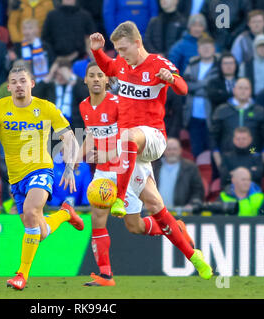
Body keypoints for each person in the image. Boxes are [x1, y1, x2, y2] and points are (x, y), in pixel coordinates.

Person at [89, 21, 212, 280]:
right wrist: (98, 52)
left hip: (153, 137)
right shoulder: (121, 64)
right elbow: (108, 66)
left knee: (129, 137)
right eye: (117, 50)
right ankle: (193, 255)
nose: (120, 54)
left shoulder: (158, 64)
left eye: (123, 49)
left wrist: (172, 80)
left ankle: (120, 197)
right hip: (130, 150)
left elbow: (183, 88)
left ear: (137, 42)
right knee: (146, 215)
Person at [78, 62, 195, 286]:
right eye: (91, 75)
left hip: (126, 168)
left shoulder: (117, 104)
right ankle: (105, 275)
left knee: (135, 226)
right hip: (103, 170)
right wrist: (74, 160)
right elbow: (91, 135)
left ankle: (172, 228)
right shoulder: (84, 106)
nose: (95, 79)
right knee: (98, 219)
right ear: (85, 80)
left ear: (106, 80)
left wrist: (107, 153)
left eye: (99, 75)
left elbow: (127, 136)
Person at [0, 66, 84, 290]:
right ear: (8, 87)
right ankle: (65, 214)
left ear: (32, 84)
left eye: (23, 81)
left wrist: (69, 166)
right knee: (39, 230)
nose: (18, 85)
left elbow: (69, 137)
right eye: (14, 81)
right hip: (15, 178)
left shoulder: (46, 108)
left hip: (41, 169)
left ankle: (21, 275)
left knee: (31, 210)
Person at [210, 78, 264, 168]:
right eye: (240, 88)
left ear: (251, 91)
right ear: (234, 90)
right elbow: (213, 137)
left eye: (246, 88)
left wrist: (263, 158)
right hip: (227, 155)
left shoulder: (259, 111)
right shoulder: (222, 110)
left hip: (252, 152)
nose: (243, 91)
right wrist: (217, 158)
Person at [183, 35, 219, 158]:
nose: (206, 49)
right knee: (196, 152)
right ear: (198, 49)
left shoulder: (218, 66)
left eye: (209, 47)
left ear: (214, 49)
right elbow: (186, 87)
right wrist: (204, 85)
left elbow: (213, 90)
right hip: (193, 115)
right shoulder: (192, 64)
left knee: (212, 152)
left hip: (212, 115)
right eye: (203, 47)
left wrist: (196, 86)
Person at [33, 58, 89, 131]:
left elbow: (86, 98)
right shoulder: (50, 86)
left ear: (70, 71)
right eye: (56, 74)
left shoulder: (78, 84)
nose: (59, 77)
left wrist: (70, 79)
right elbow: (34, 95)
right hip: (53, 129)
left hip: (76, 128)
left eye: (62, 74)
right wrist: (50, 75)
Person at [153, 138, 204, 208]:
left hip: (183, 213)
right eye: (169, 149)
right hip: (156, 212)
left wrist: (192, 204)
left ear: (180, 150)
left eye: (175, 149)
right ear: (163, 151)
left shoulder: (191, 167)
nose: (172, 152)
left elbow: (198, 190)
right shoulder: (154, 167)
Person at [14, 18, 53, 83]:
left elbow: (51, 61)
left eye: (30, 28)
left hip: (45, 79)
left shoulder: (45, 46)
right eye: (24, 28)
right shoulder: (19, 47)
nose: (27, 31)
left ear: (37, 30)